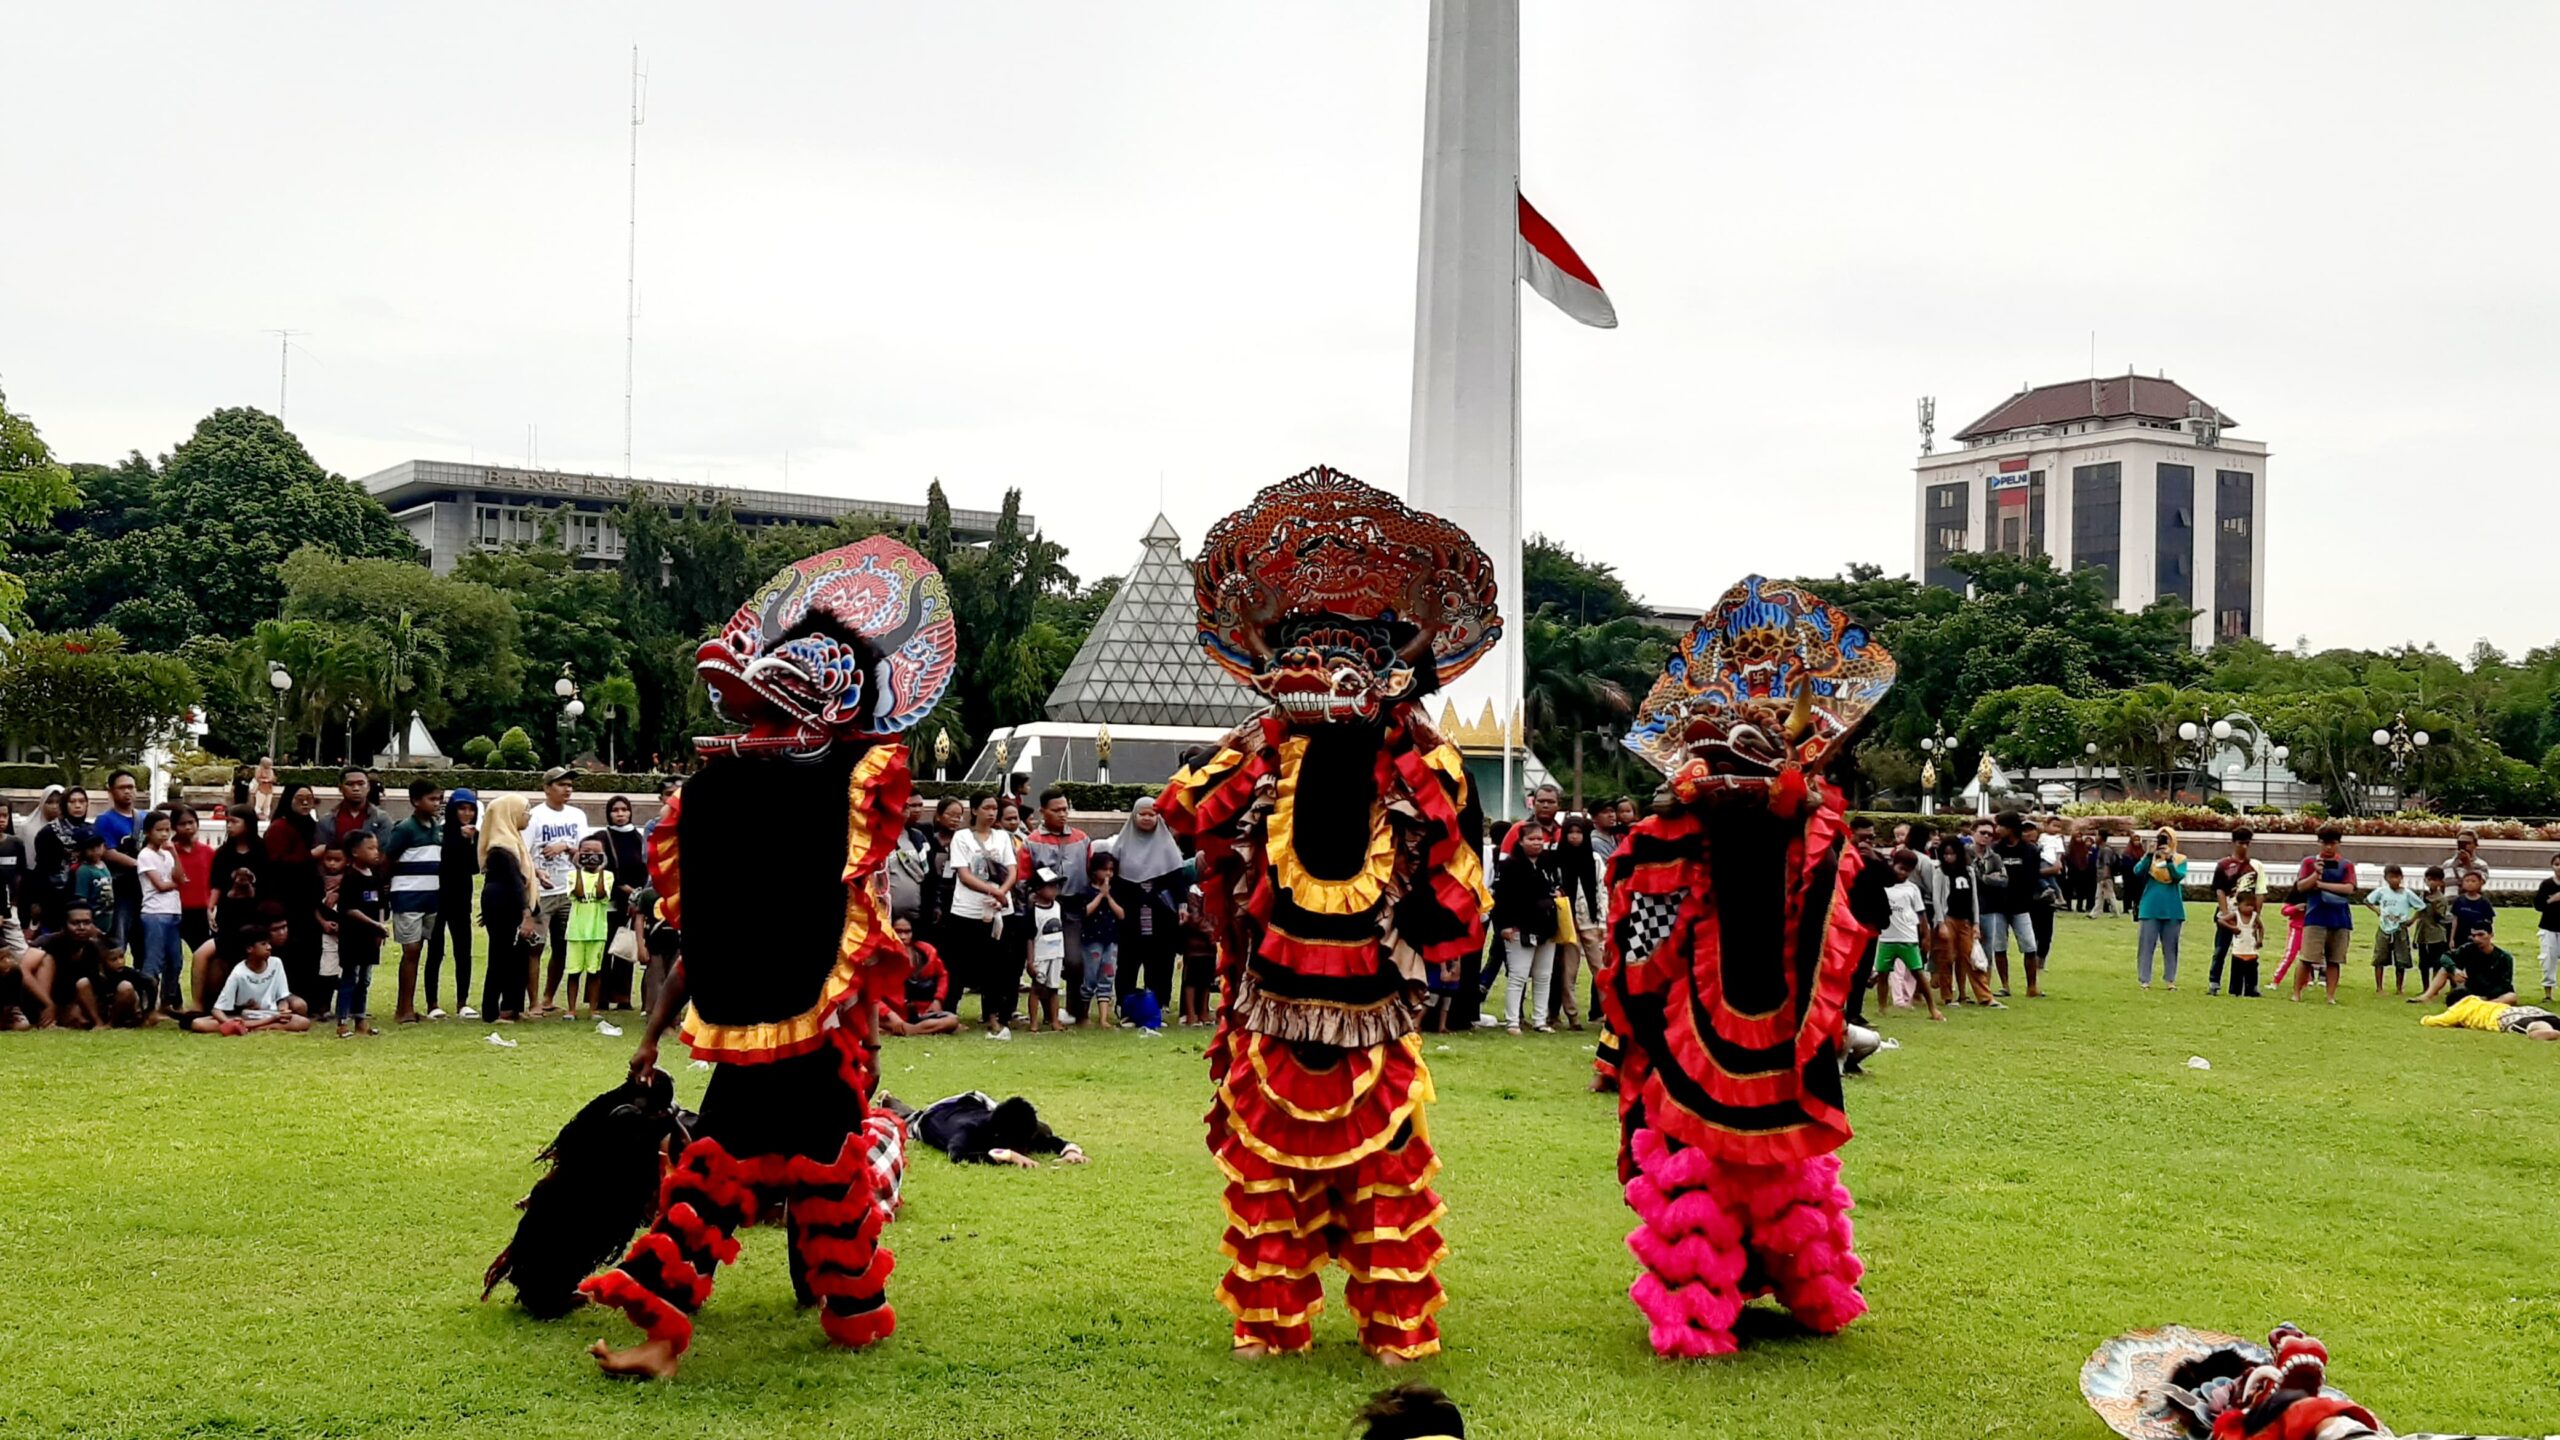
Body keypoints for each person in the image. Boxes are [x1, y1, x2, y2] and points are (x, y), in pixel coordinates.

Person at [582, 533, 950, 1378]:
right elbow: (705, 937)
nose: (754, 728)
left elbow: (860, 932)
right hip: (754, 1020)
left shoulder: (850, 790)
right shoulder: (730, 804)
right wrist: (650, 1034)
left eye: (779, 709)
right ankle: (668, 1336)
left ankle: (848, 1304)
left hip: (818, 1032)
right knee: (713, 1170)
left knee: (824, 1171)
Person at [1101, 794, 1188, 1010]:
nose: (1147, 818)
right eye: (1142, 814)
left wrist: (1182, 906)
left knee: (1161, 958)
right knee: (1129, 959)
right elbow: (1115, 881)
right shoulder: (1120, 847)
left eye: (1152, 814)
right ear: (1133, 816)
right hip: (1130, 912)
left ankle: (1159, 1002)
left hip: (1161, 911)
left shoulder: (1168, 848)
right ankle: (1125, 1002)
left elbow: (1177, 880)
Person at [943, 793, 1015, 1039]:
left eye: (995, 808)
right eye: (987, 808)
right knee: (959, 965)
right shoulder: (962, 838)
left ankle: (994, 1016)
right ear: (974, 810)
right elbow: (964, 875)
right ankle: (950, 1014)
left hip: (998, 910)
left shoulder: (1003, 837)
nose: (992, 813)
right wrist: (992, 890)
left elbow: (1012, 870)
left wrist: (1002, 893)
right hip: (967, 910)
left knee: (996, 965)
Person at [1023, 787, 1093, 1020]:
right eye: (1057, 810)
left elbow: (1090, 871)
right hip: (1043, 907)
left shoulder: (1082, 839)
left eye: (1065, 809)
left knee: (1074, 960)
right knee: (1044, 960)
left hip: (1073, 905)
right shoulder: (1032, 841)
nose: (1063, 814)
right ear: (1043, 812)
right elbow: (1024, 877)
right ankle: (1047, 1014)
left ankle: (1076, 1010)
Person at [527, 768, 592, 1016]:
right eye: (562, 785)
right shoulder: (534, 816)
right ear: (547, 788)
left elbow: (586, 853)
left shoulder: (577, 816)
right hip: (541, 891)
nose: (568, 789)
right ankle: (533, 1002)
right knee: (535, 947)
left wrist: (565, 846)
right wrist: (536, 874)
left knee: (563, 946)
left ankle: (548, 997)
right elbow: (523, 853)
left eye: (570, 785)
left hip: (568, 889)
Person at [1491, 822, 1561, 1034]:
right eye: (1531, 839)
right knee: (1518, 975)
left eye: (1540, 838)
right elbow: (1500, 900)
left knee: (1543, 975)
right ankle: (1513, 1020)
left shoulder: (1549, 862)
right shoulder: (1509, 866)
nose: (1537, 843)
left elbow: (1557, 886)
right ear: (1520, 841)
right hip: (1519, 928)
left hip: (1547, 926)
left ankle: (1540, 1020)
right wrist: (1502, 927)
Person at [385, 780, 444, 1024]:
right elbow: (387, 858)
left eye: (439, 799)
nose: (437, 804)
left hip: (431, 898)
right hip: (407, 897)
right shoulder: (405, 829)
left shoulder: (437, 827)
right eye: (432, 799)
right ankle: (403, 1008)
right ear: (415, 801)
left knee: (419, 950)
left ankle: (408, 1006)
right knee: (411, 950)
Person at [264, 782, 326, 1014]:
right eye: (299, 798)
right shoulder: (280, 827)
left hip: (310, 900)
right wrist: (310, 856)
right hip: (286, 900)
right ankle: (285, 998)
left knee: (311, 950)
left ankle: (311, 1000)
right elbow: (275, 862)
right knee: (289, 950)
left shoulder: (313, 826)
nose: (304, 802)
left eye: (309, 798)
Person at [478, 795, 539, 1022]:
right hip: (505, 907)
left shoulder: (513, 843)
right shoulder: (501, 847)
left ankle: (511, 1007)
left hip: (502, 905)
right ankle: (494, 1011)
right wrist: (527, 914)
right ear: (510, 814)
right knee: (501, 959)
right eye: (525, 811)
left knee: (515, 958)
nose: (528, 816)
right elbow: (514, 883)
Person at [189, 929, 311, 1034]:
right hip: (246, 1016)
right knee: (198, 1024)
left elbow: (282, 997)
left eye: (269, 943)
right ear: (249, 949)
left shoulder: (276, 963)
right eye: (263, 944)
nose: (269, 947)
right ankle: (255, 1026)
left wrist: (283, 1011)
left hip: (271, 1014)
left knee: (303, 1022)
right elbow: (217, 1010)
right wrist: (229, 1022)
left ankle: (250, 1028)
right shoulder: (239, 972)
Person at [1980, 812, 2046, 998]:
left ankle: (2032, 986)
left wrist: (2028, 898)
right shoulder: (1993, 850)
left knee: (2029, 946)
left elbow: (2033, 878)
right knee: (1999, 947)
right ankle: (2005, 986)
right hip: (1997, 906)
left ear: (2011, 828)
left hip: (2021, 907)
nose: (1996, 830)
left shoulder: (2030, 850)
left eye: (2000, 826)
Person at [2290, 824, 2357, 1005]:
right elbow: (2301, 886)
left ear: (2338, 843)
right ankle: (2296, 992)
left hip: (2339, 917)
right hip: (2315, 915)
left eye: (2332, 843)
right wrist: (2315, 875)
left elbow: (2348, 888)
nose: (2328, 847)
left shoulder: (2346, 865)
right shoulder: (2309, 863)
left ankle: (2330, 996)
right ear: (2319, 843)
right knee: (2307, 957)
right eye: (2325, 843)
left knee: (2334, 959)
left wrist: (2321, 886)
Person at [429, 788, 480, 1020]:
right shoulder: (440, 833)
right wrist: (459, 839)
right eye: (462, 808)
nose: (467, 813)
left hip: (461, 898)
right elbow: (443, 861)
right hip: (438, 897)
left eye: (471, 809)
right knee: (435, 950)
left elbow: (475, 868)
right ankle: (433, 1003)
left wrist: (470, 842)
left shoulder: (474, 835)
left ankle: (463, 1002)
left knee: (463, 950)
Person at [332, 834, 390, 1036]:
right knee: (350, 977)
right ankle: (342, 1021)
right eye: (370, 848)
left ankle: (361, 1019)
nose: (376, 852)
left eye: (377, 848)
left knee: (365, 980)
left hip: (370, 939)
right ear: (355, 852)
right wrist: (374, 924)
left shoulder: (375, 875)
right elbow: (349, 909)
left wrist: (380, 927)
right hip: (352, 937)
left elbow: (382, 904)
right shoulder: (350, 878)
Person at [1546, 816, 1601, 1030]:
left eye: (1579, 832)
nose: (1575, 836)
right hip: (1567, 922)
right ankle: (1572, 1016)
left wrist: (1602, 921)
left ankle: (1612, 1013)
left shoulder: (1594, 859)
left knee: (1600, 969)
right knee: (1569, 971)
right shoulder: (1557, 859)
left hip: (1591, 921)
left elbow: (1601, 889)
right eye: (1571, 832)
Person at [596, 795, 649, 1010]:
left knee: (626, 947)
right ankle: (600, 996)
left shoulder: (638, 837)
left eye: (624, 810)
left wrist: (637, 895)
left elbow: (645, 867)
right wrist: (622, 888)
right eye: (615, 810)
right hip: (611, 899)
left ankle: (622, 997)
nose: (620, 814)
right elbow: (601, 867)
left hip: (634, 901)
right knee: (605, 947)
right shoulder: (602, 837)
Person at [1874, 852, 1942, 1021]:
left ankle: (1933, 1009)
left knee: (1918, 973)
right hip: (1886, 938)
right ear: (1893, 865)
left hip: (1908, 939)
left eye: (1908, 871)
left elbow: (1921, 915)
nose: (1903, 873)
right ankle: (1882, 1008)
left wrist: (1926, 937)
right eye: (1901, 868)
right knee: (1882, 974)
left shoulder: (1912, 889)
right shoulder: (1882, 885)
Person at [134, 811, 187, 1016]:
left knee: (175, 961)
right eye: (159, 830)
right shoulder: (145, 855)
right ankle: (147, 1006)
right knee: (154, 961)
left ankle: (167, 1003)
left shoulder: (166, 854)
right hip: (155, 913)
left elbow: (179, 876)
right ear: (148, 832)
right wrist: (177, 884)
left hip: (174, 911)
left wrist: (174, 854)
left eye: (167, 830)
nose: (164, 834)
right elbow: (161, 885)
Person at [560, 836, 615, 1027]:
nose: (590, 856)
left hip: (597, 931)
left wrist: (600, 870)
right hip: (576, 931)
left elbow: (601, 894)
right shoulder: (572, 876)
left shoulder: (607, 876)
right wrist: (578, 868)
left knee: (595, 971)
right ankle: (571, 1008)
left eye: (595, 853)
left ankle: (593, 1008)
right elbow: (579, 893)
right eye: (586, 852)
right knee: (574, 971)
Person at [2207, 827, 2268, 996]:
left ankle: (2250, 985)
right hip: (2229, 911)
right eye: (2241, 843)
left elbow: (2260, 892)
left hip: (2247, 915)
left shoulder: (2256, 866)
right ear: (2234, 843)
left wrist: (2256, 915)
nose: (2245, 847)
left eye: (2247, 843)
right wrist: (2226, 913)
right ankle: (2214, 981)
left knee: (2249, 951)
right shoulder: (2224, 865)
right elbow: (2219, 890)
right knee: (2221, 949)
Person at [34, 902, 112, 1028]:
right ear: (64, 925)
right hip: (48, 998)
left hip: (77, 1000)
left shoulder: (95, 948)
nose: (81, 927)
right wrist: (48, 1004)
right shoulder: (48, 943)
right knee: (45, 960)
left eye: (87, 923)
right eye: (75, 923)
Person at [881, 914, 960, 1036]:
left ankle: (908, 1029)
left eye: (907, 932)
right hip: (892, 1014)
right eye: (898, 932)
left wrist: (938, 1000)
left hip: (922, 1012)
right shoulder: (883, 954)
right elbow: (872, 996)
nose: (903, 936)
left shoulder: (927, 951)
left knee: (952, 1020)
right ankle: (910, 1029)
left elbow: (943, 975)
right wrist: (890, 1015)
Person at [92, 769, 144, 949]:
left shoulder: (145, 817)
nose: (127, 791)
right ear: (111, 791)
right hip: (120, 888)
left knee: (144, 941)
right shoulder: (104, 820)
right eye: (122, 787)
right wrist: (141, 864)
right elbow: (107, 851)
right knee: (118, 939)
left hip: (145, 888)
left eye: (131, 787)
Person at [2134, 826, 2189, 991]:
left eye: (2167, 838)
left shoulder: (2180, 859)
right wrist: (2149, 854)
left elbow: (2177, 877)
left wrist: (2170, 860)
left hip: (2173, 909)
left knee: (2171, 946)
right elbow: (2137, 871)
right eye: (2161, 838)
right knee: (2146, 945)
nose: (2164, 841)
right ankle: (2144, 979)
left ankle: (2170, 980)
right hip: (2150, 907)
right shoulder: (2151, 860)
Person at [1078, 851, 1128, 1028]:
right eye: (1104, 869)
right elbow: (1085, 912)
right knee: (1090, 977)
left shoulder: (1116, 891)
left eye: (1111, 870)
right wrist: (1100, 896)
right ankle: (1082, 1016)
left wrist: (1108, 896)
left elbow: (1122, 914)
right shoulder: (1087, 890)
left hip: (1111, 939)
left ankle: (1103, 1019)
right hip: (1092, 940)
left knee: (1107, 976)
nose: (1108, 874)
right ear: (1094, 871)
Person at [2363, 864, 2422, 997]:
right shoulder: (2382, 891)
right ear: (2386, 878)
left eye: (2397, 877)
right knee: (2380, 957)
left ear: (2401, 878)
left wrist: (2412, 920)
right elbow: (2368, 901)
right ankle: (2379, 988)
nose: (2394, 880)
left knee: (2401, 959)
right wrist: (2377, 911)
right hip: (2384, 927)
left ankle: (2399, 988)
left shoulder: (2407, 893)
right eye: (2391, 877)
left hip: (2400, 928)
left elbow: (2421, 907)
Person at [1022, 866, 1066, 1033]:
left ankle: (1054, 1021)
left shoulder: (1058, 907)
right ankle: (1033, 1022)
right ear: (1038, 889)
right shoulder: (1034, 912)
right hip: (1041, 955)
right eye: (1049, 886)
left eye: (1055, 886)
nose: (1054, 889)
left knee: (1054, 988)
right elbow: (1030, 938)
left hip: (1056, 954)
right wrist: (1031, 961)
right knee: (1037, 989)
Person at [169, 805, 216, 955]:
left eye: (191, 822)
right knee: (172, 958)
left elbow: (215, 882)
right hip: (175, 910)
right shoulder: (168, 852)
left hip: (202, 912)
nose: (188, 827)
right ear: (174, 827)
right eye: (182, 824)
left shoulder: (208, 851)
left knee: (203, 953)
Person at [316, 766, 390, 853]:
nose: (356, 788)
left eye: (361, 784)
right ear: (340, 788)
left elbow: (385, 853)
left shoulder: (381, 819)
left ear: (368, 787)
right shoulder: (326, 821)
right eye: (350, 784)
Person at [2408, 865, 2454, 1002]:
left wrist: (2431, 904)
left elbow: (2440, 916)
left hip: (2436, 934)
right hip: (2423, 933)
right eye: (2429, 879)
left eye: (2434, 880)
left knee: (2436, 963)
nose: (2431, 882)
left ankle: (2434, 989)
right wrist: (2411, 921)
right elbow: (2419, 910)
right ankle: (2425, 987)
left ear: (2440, 882)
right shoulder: (2423, 895)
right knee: (2423, 964)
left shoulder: (2441, 899)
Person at [1176, 881, 1217, 1027]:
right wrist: (1212, 933)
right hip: (1195, 944)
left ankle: (1203, 1012)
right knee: (1191, 980)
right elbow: (1194, 916)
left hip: (1211, 945)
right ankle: (1190, 1014)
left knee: (1207, 980)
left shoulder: (1217, 888)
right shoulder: (1194, 890)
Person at [2446, 925, 2518, 1005]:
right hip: (2472, 991)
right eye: (2473, 936)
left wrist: (2487, 996)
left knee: (2511, 997)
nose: (2476, 939)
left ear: (2491, 935)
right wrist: (2454, 969)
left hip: (2493, 994)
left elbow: (2505, 984)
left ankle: (2480, 1005)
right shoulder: (2468, 949)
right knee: (2445, 968)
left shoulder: (2504, 957)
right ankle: (2429, 997)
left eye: (2481, 935)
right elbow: (2445, 957)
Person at [1498, 782, 1563, 857]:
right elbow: (1503, 862)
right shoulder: (1518, 829)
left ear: (1559, 805)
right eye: (1541, 801)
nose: (1545, 805)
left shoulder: (1564, 833)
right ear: (1533, 802)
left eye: (1551, 802)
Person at [2225, 891, 2266, 997]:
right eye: (2247, 905)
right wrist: (2232, 928)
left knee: (2252, 973)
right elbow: (2221, 920)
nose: (2250, 908)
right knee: (2236, 973)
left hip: (2251, 949)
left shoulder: (2254, 916)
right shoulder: (2236, 915)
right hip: (2238, 950)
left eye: (2252, 906)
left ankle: (2251, 990)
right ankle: (2234, 991)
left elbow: (2261, 927)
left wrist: (2260, 940)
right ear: (2239, 905)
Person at [0, 797, 27, 958]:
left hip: (10, 907)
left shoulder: (15, 844)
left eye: (5, 816)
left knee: (21, 953)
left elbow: (20, 875)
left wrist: (15, 903)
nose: (1, 820)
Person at [2536, 855, 2560, 1002]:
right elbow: (2538, 905)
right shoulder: (2546, 885)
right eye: (2557, 864)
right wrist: (2552, 899)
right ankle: (2548, 994)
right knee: (2548, 960)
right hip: (2549, 927)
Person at [2438, 827, 2491, 893]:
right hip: (2450, 901)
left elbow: (2480, 883)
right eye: (2461, 843)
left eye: (2467, 843)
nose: (2464, 846)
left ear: (2475, 845)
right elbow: (2441, 885)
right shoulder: (2447, 864)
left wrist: (2468, 865)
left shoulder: (2481, 865)